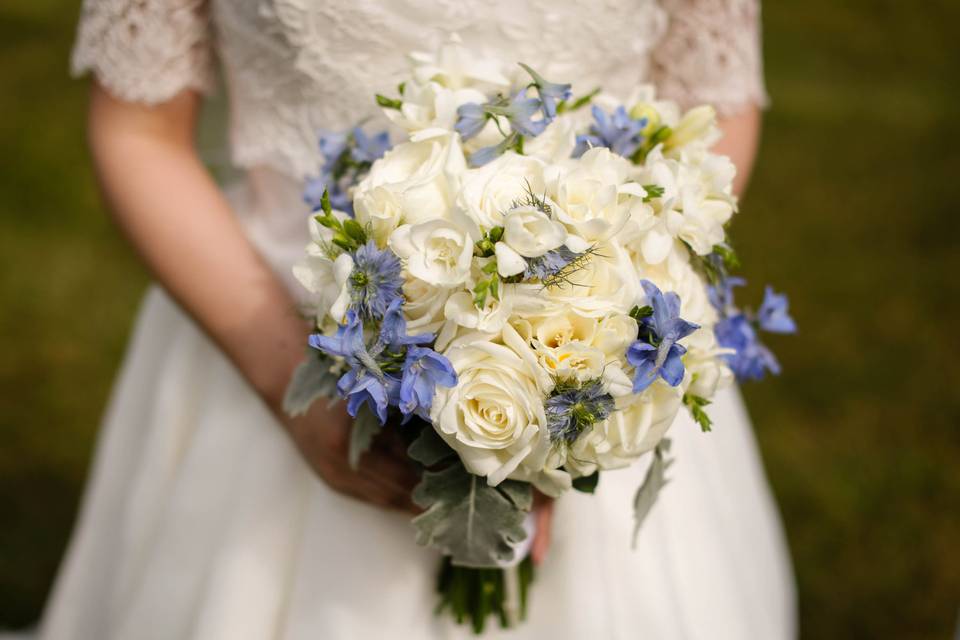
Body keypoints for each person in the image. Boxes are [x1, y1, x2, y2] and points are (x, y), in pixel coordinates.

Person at [36, 1, 795, 638]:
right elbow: (139, 130)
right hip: (274, 342)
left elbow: (712, 104)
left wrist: (581, 383)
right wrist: (288, 385)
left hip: (600, 354)